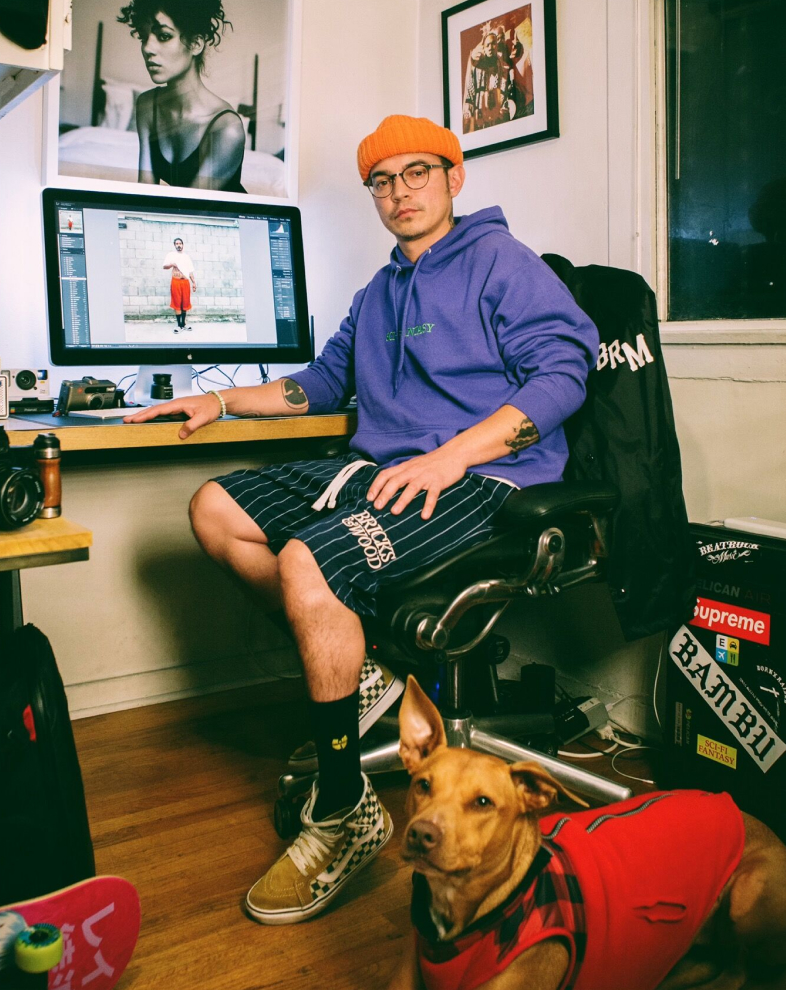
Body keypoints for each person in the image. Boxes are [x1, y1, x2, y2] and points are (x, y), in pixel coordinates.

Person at [124, 114, 599, 925]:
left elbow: (566, 372)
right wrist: (221, 398)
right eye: (382, 180)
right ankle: (365, 681)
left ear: (454, 178)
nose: (399, 192)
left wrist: (454, 456)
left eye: (418, 172)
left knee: (309, 557)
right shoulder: (379, 291)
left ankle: (345, 813)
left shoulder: (501, 262)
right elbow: (317, 385)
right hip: (385, 474)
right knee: (214, 509)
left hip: (484, 484)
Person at [118, 0, 247, 193]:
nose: (147, 48)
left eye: (163, 36)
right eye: (144, 37)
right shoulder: (147, 105)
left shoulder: (226, 128)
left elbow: (192, 210)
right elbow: (144, 195)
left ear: (196, 44)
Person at [163, 237, 196, 332]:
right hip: (176, 281)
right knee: (177, 302)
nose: (178, 245)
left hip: (185, 281)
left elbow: (190, 271)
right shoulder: (171, 255)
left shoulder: (186, 257)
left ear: (182, 245)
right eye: (176, 243)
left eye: (180, 243)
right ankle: (178, 325)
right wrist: (172, 264)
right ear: (174, 245)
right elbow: (164, 266)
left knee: (185, 303)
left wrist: (193, 282)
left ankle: (184, 324)